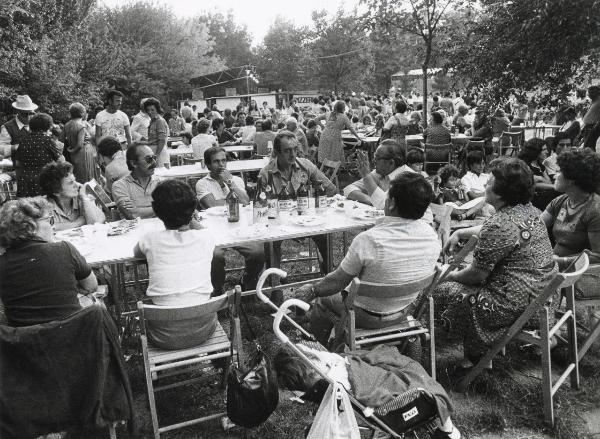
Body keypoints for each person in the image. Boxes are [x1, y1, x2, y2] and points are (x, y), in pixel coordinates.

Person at [433, 158, 557, 366]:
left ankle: (474, 354)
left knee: (445, 288)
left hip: (512, 306)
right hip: (544, 301)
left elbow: (476, 275)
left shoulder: (500, 224)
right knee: (458, 279)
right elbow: (502, 231)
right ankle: (476, 349)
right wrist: (462, 231)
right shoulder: (530, 211)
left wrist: (447, 274)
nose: (484, 185)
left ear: (501, 192)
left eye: (489, 182)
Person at [297, 173, 440, 346]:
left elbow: (336, 281)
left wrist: (312, 290)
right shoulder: (432, 237)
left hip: (363, 315)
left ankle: (313, 349)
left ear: (392, 203)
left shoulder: (369, 240)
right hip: (402, 311)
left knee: (323, 299)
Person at [275, 345, 461, 439]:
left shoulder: (319, 382)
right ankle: (448, 430)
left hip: (373, 383)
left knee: (401, 368)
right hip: (376, 385)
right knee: (410, 372)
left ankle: (448, 430)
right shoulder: (331, 377)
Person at [131, 179, 217, 350]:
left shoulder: (150, 239)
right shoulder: (206, 237)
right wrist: (190, 218)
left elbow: (136, 254)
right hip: (203, 330)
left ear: (156, 211)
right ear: (193, 209)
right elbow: (202, 230)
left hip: (162, 335)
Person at [0, 197, 99, 326]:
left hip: (25, 341)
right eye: (50, 220)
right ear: (31, 226)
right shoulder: (64, 249)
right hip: (73, 336)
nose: (53, 227)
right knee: (98, 305)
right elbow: (91, 286)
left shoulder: (2, 263)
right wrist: (69, 287)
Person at [258, 131, 337, 274]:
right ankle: (275, 285)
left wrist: (311, 204)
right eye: (287, 151)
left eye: (295, 149)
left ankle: (329, 276)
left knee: (325, 234)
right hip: (279, 224)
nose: (293, 155)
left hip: (307, 219)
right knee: (270, 242)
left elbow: (330, 189)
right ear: (277, 152)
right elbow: (261, 207)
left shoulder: (305, 164)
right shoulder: (266, 173)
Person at [196, 147, 265, 292]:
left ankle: (247, 281)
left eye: (223, 160)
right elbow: (211, 206)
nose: (221, 165)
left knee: (257, 252)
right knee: (215, 256)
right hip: (215, 230)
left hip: (240, 227)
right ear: (208, 165)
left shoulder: (236, 180)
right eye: (216, 161)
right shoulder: (202, 183)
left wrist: (230, 183)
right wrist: (235, 200)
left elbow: (246, 201)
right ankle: (217, 290)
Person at [541, 149, 600, 265]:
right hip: (557, 267)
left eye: (559, 171)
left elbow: (598, 257)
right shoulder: (560, 201)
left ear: (572, 179)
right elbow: (535, 226)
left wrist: (561, 261)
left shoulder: (595, 210)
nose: (555, 176)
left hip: (581, 276)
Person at [38, 161, 105, 231]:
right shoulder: (43, 205)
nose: (77, 185)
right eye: (71, 183)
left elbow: (97, 223)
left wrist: (85, 197)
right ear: (56, 191)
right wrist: (77, 223)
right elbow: (46, 229)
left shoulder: (81, 197)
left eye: (75, 180)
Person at [14, 113, 63, 197]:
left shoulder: (23, 140)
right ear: (47, 126)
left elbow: (18, 163)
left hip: (24, 181)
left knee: (26, 208)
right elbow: (61, 161)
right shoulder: (48, 141)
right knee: (42, 207)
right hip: (43, 181)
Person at [344, 140, 405, 207]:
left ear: (391, 162)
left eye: (377, 158)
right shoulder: (381, 172)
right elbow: (348, 189)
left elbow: (385, 206)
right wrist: (371, 200)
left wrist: (366, 176)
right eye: (374, 157)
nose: (373, 161)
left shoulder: (406, 180)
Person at [112, 144, 159, 219]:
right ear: (133, 163)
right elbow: (131, 214)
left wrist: (138, 210)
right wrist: (161, 208)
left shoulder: (160, 183)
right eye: (148, 159)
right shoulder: (120, 186)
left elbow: (172, 208)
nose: (154, 163)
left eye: (154, 158)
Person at [64, 102, 99, 184]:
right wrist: (72, 151)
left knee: (76, 175)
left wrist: (69, 150)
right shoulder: (81, 126)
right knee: (86, 176)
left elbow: (60, 140)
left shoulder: (66, 125)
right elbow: (80, 145)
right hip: (84, 153)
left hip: (74, 154)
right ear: (82, 113)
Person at [518, 138, 557, 210]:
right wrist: (541, 179)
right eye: (544, 150)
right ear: (535, 151)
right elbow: (532, 185)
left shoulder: (540, 166)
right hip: (530, 199)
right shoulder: (525, 165)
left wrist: (539, 179)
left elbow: (548, 182)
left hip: (543, 195)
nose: (547, 151)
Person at [141, 98, 170, 168]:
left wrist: (156, 155)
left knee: (162, 175)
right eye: (148, 110)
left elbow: (162, 140)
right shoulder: (152, 121)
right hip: (153, 152)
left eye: (152, 110)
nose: (150, 112)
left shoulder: (160, 121)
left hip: (159, 153)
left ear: (157, 109)